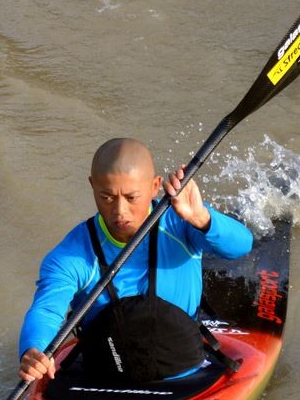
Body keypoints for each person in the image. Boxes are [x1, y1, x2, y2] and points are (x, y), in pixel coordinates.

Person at [18, 138, 252, 383]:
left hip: (184, 367)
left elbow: (241, 246)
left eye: (131, 198)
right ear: (92, 186)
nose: (120, 211)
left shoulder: (180, 223)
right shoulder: (72, 254)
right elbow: (46, 310)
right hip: (107, 372)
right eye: (107, 197)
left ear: (155, 186)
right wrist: (33, 349)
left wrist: (202, 218)